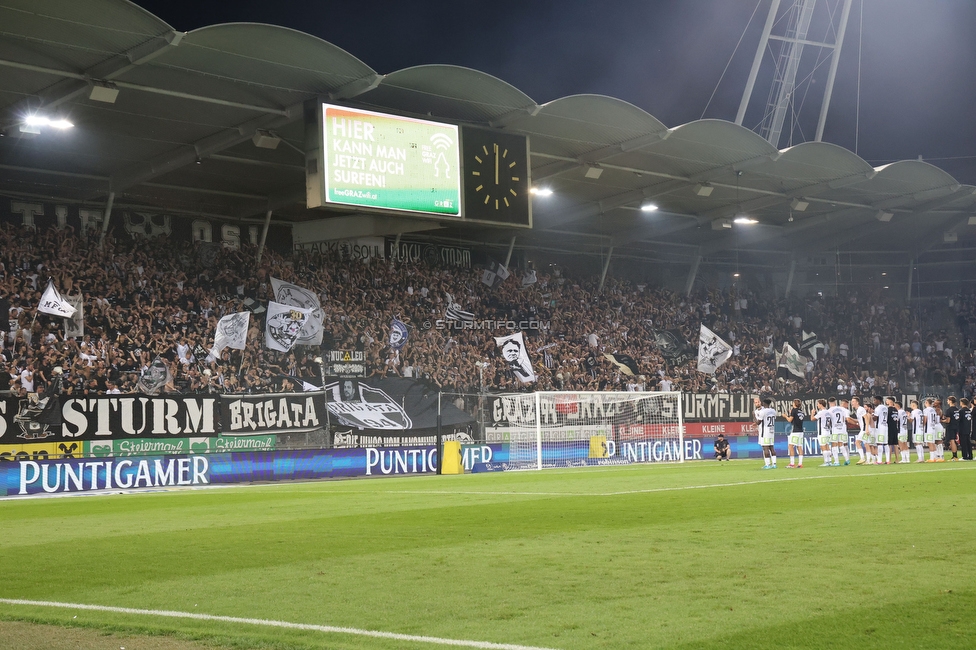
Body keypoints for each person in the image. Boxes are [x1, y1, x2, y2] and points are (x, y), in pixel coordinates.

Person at [754, 397, 777, 469]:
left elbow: (758, 422)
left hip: (765, 432)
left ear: (764, 403)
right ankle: (774, 464)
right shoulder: (773, 411)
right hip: (772, 431)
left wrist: (754, 418)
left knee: (765, 448)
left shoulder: (763, 412)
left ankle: (767, 464)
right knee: (771, 447)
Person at [785, 398, 805, 468]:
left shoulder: (794, 410)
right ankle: (800, 464)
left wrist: (785, 416)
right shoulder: (801, 411)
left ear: (794, 404)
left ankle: (792, 463)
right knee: (799, 447)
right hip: (801, 431)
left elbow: (790, 420)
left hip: (795, 431)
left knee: (790, 446)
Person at [813, 399, 833, 467]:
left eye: (818, 404)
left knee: (823, 447)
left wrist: (812, 413)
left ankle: (826, 462)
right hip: (828, 431)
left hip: (822, 432)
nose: (817, 405)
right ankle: (829, 461)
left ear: (821, 404)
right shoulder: (828, 412)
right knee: (827, 446)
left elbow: (812, 419)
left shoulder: (821, 412)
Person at [851, 397, 869, 465]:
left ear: (857, 402)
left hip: (864, 429)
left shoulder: (861, 409)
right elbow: (860, 420)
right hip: (863, 428)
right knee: (866, 444)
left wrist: (867, 428)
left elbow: (866, 418)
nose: (852, 403)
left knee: (857, 442)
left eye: (853, 401)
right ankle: (868, 460)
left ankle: (862, 458)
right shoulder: (858, 410)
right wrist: (851, 419)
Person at [873, 396, 889, 465]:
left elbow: (875, 418)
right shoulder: (885, 407)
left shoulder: (878, 408)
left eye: (874, 400)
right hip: (885, 426)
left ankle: (879, 460)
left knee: (879, 443)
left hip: (879, 427)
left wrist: (872, 415)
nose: (874, 402)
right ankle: (888, 460)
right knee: (885, 443)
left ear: (878, 400)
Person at [942, 396, 960, 461]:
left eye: (948, 400)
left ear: (950, 401)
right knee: (954, 440)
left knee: (952, 441)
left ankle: (955, 456)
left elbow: (948, 420)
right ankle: (955, 455)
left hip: (951, 427)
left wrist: (941, 420)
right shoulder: (957, 409)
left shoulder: (949, 410)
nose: (947, 401)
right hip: (956, 426)